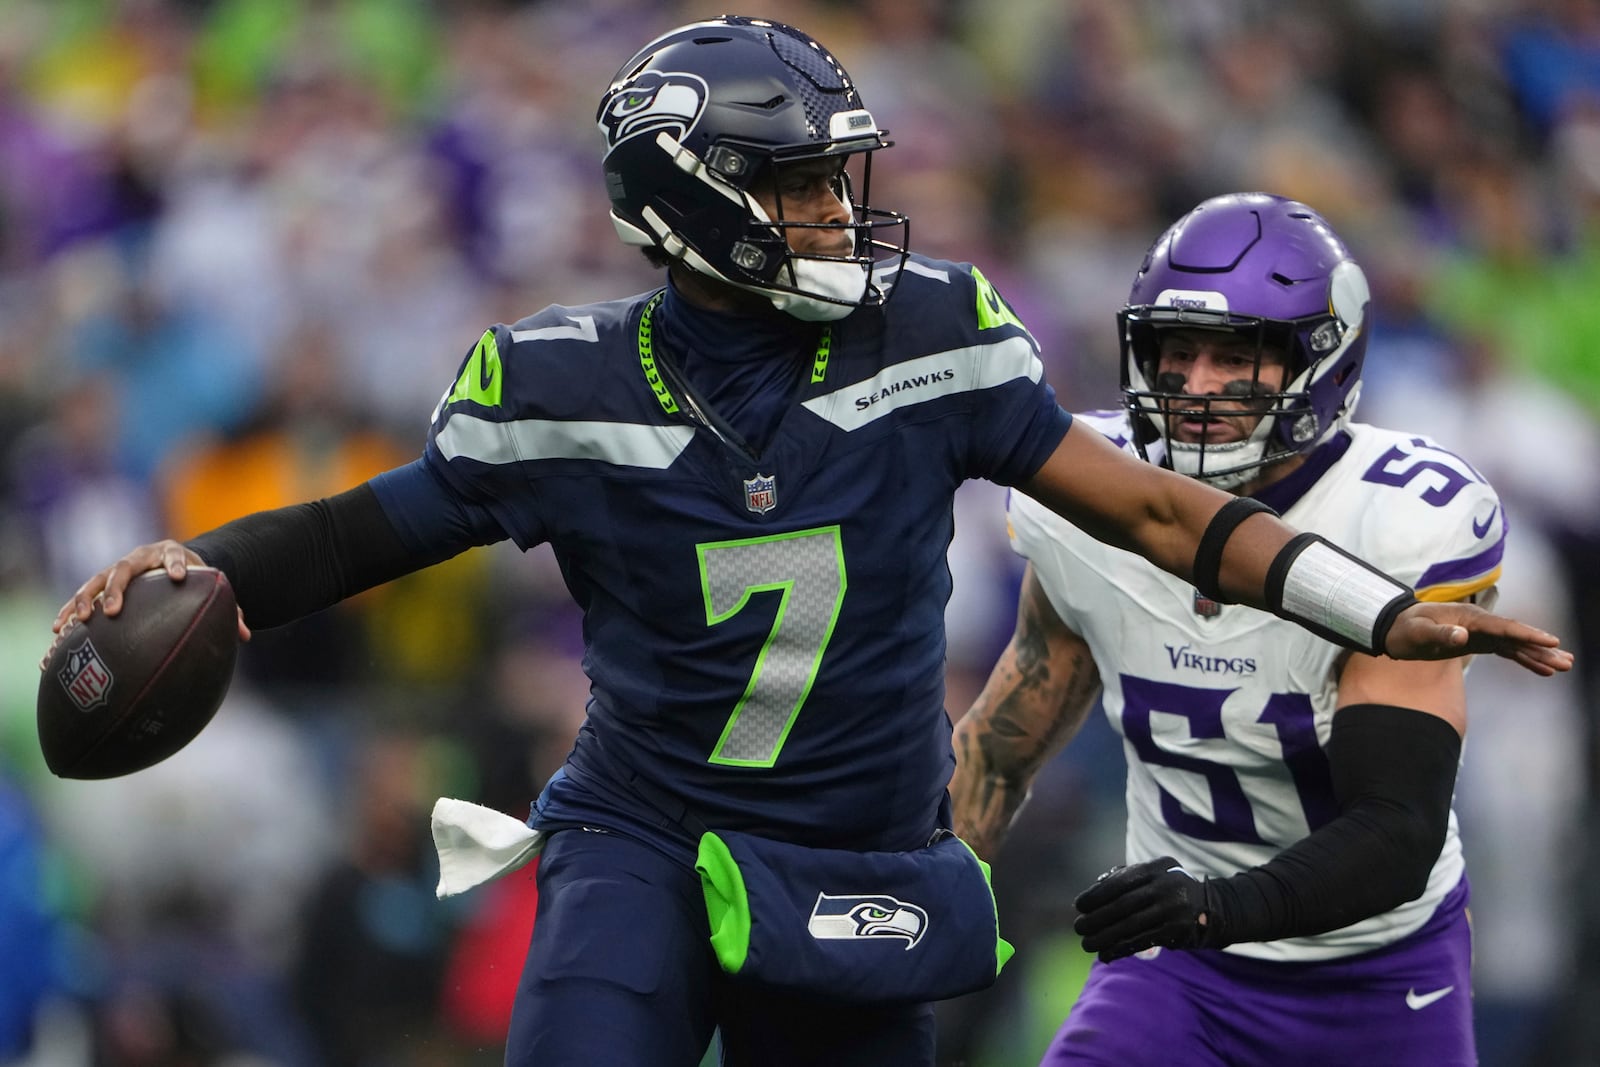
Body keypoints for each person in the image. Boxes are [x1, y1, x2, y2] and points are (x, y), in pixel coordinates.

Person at [47, 19, 1568, 1067]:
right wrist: (214, 572)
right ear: (686, 202)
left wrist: (1371, 608)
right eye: (797, 185)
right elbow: (363, 529)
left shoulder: (938, 337)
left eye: (843, 177)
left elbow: (1163, 510)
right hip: (642, 831)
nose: (841, 213)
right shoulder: (559, 383)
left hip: (858, 854)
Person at [949, 191, 1529, 1067]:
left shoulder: (1400, 519)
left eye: (1236, 356)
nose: (1196, 386)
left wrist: (1215, 904)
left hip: (1376, 969)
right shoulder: (1084, 501)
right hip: (1180, 969)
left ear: (1322, 364)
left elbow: (1395, 828)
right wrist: (929, 908)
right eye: (1176, 352)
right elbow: (1000, 748)